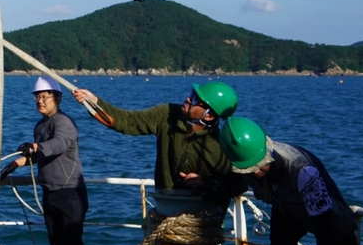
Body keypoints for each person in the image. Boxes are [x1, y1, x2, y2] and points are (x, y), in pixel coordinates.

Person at [220, 117, 363, 245]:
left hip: (328, 218)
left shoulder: (302, 171)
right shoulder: (239, 160)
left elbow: (326, 228)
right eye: (248, 170)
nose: (256, 173)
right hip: (285, 206)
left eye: (259, 166)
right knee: (281, 244)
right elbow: (231, 183)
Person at [70, 82, 238, 191]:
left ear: (209, 116)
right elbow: (129, 121)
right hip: (165, 210)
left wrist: (205, 184)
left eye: (195, 99)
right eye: (192, 93)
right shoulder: (166, 114)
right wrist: (94, 102)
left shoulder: (219, 146)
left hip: (202, 221)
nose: (188, 98)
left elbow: (236, 184)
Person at [8, 76, 88, 245]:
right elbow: (39, 154)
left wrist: (36, 147)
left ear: (57, 98)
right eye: (37, 97)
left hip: (69, 192)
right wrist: (15, 164)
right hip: (50, 192)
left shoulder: (64, 123)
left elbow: (58, 144)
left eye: (45, 96)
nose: (40, 101)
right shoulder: (40, 126)